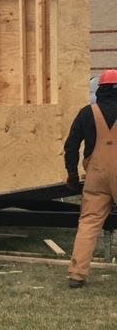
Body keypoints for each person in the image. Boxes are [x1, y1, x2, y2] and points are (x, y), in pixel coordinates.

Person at [64, 69, 117, 288]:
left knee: (88, 224)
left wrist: (72, 175)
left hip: (96, 175)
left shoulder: (87, 112)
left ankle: (77, 274)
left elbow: (71, 146)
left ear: (100, 89)